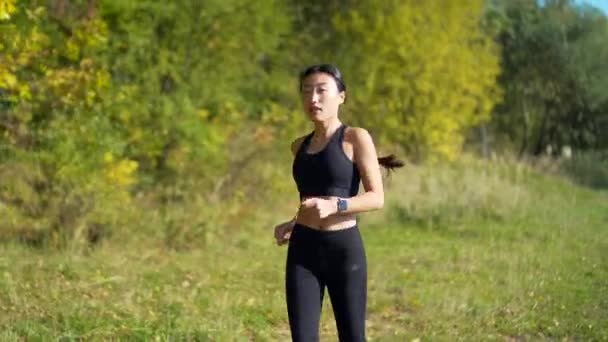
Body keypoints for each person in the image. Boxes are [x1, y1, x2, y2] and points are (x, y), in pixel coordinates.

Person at [273, 64, 403, 341]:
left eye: (321, 91)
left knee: (352, 337)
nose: (313, 99)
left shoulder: (355, 138)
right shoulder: (299, 146)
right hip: (302, 251)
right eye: (306, 91)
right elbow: (310, 197)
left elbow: (376, 198)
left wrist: (337, 206)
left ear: (341, 96)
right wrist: (293, 223)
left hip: (343, 249)